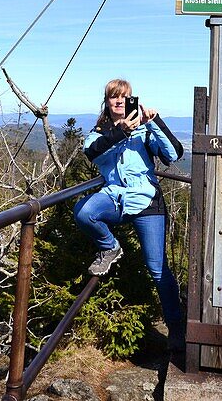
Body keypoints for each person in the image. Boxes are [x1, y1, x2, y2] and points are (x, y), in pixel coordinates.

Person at [73, 78, 186, 350]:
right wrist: (120, 131)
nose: (119, 101)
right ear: (107, 101)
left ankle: (177, 329)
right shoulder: (100, 132)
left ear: (132, 99)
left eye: (125, 97)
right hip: (115, 198)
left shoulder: (146, 130)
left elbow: (174, 154)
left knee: (157, 269)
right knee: (84, 212)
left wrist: (155, 121)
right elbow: (92, 151)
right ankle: (109, 247)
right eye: (114, 97)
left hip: (147, 201)